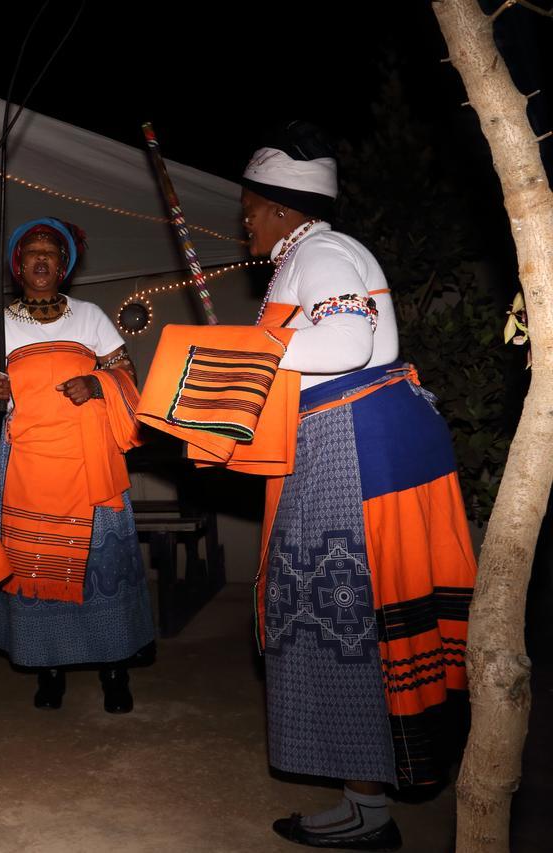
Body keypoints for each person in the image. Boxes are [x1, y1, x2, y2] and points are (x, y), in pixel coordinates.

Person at [238, 121, 475, 850]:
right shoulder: (307, 255)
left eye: (249, 206)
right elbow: (359, 344)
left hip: (356, 455)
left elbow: (345, 345)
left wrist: (245, 356)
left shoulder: (325, 252)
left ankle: (369, 809)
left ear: (280, 208)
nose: (243, 219)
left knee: (346, 617)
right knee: (345, 619)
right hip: (346, 443)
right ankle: (363, 799)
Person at [0, 218, 154, 713]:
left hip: (90, 462)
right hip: (28, 464)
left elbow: (127, 376)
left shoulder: (91, 316)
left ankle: (115, 670)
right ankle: (47, 669)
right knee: (36, 566)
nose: (42, 260)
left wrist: (98, 383)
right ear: (18, 264)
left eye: (52, 253)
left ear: (65, 265)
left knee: (101, 566)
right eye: (33, 252)